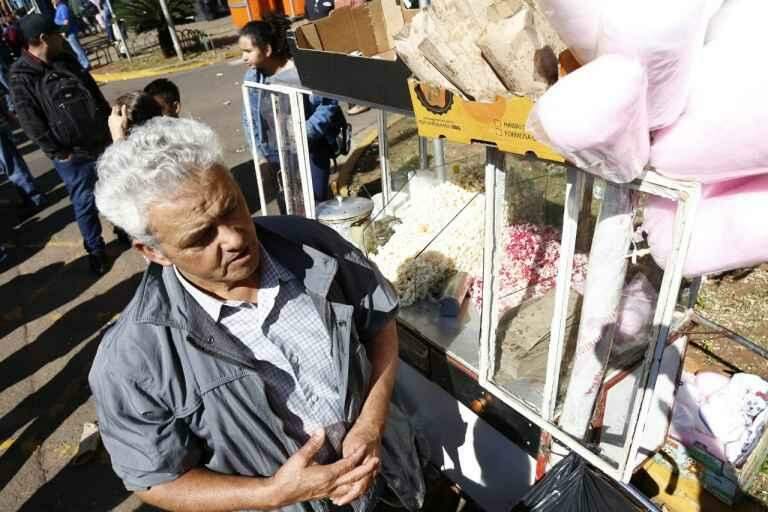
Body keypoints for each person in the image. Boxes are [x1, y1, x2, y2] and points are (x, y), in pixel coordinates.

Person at [90, 117, 425, 512]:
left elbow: (380, 325)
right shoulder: (131, 361)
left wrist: (371, 424)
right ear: (154, 252)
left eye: (231, 207)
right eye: (201, 236)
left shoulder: (311, 245)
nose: (233, 238)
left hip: (386, 483)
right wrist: (275, 494)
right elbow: (156, 479)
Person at [10, 13, 111, 274]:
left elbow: (92, 91)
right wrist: (58, 151)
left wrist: (108, 119)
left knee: (114, 190)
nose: (61, 37)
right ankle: (96, 249)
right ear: (43, 39)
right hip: (71, 155)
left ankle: (122, 228)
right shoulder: (22, 74)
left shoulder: (66, 59)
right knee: (85, 202)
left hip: (100, 140)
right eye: (56, 33)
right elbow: (29, 119)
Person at [240, 15, 345, 207]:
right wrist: (260, 156)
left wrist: (304, 132)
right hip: (275, 154)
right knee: (288, 205)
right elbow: (249, 118)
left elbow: (328, 105)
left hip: (311, 151)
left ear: (267, 49)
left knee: (315, 206)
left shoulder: (303, 71)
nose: (243, 57)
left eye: (248, 51)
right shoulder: (253, 77)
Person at [53, 0, 90, 70]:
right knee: (76, 49)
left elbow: (65, 21)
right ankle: (83, 64)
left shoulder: (62, 7)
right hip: (69, 31)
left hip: (70, 31)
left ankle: (86, 64)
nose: (52, 2)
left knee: (77, 49)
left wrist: (59, 23)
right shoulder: (59, 8)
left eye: (54, 0)